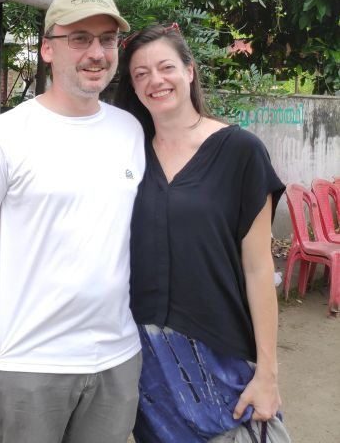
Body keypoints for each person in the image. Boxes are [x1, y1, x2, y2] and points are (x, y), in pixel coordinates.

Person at [0, 0, 145, 443]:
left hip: (117, 359)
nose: (96, 53)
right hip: (31, 365)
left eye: (107, 40)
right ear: (47, 48)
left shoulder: (130, 130)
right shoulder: (3, 136)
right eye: (79, 38)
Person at [113, 24, 289, 443]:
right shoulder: (126, 153)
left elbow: (259, 269)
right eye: (140, 74)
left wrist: (268, 374)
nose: (155, 80)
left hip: (220, 351)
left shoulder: (240, 151)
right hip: (144, 359)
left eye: (166, 67)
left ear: (189, 71)